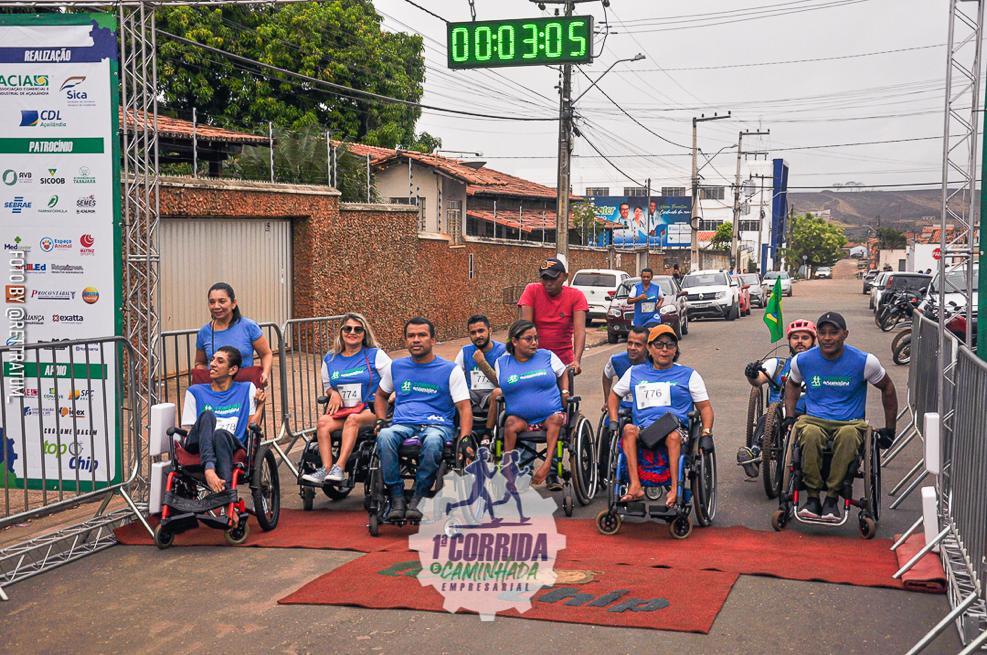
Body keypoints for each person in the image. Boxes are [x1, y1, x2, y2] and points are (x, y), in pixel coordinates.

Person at [784, 311, 898, 522]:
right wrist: (790, 417)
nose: (827, 338)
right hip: (814, 419)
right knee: (809, 434)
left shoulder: (864, 361)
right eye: (823, 333)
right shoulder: (803, 360)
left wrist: (890, 429)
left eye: (833, 333)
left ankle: (832, 497)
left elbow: (888, 388)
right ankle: (812, 497)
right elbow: (792, 384)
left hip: (850, 422)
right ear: (817, 335)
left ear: (845, 334)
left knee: (848, 437)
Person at [375, 317, 472, 521]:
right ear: (405, 341)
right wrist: (381, 420)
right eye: (411, 336)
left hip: (437, 425)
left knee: (434, 440)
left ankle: (419, 496)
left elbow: (464, 408)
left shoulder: (450, 370)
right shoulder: (396, 367)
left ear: (433, 340)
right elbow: (381, 395)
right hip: (403, 424)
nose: (416, 340)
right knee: (384, 435)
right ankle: (396, 497)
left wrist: (465, 438)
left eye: (422, 335)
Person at [608, 324, 714, 506]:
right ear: (649, 348)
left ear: (675, 350)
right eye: (659, 344)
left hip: (676, 429)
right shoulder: (634, 372)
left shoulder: (689, 375)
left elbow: (705, 408)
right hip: (644, 429)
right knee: (628, 429)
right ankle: (635, 486)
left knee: (673, 437)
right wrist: (613, 420)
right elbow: (614, 395)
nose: (664, 349)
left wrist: (706, 433)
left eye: (670, 345)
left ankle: (674, 489)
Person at [301, 313, 390, 485]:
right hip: (344, 411)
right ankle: (326, 469)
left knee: (353, 419)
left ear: (364, 333)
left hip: (370, 410)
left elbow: (394, 379)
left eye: (358, 329)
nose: (352, 332)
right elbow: (327, 385)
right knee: (323, 422)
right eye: (348, 328)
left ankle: (339, 468)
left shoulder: (375, 355)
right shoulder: (331, 358)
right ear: (341, 332)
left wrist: (388, 398)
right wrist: (333, 393)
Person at [180, 346, 266, 514]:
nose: (212, 364)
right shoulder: (195, 391)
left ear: (232, 369)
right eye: (212, 359)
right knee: (207, 416)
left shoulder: (246, 388)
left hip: (229, 443)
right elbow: (188, 430)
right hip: (198, 443)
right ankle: (209, 470)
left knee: (220, 434)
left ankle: (226, 503)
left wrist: (260, 405)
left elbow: (252, 427)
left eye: (220, 361)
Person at [736, 319, 817, 477]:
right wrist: (751, 374)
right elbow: (758, 380)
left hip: (811, 414)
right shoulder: (778, 364)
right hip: (780, 413)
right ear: (789, 341)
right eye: (795, 338)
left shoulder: (822, 365)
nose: (800, 341)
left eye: (805, 338)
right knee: (766, 419)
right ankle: (754, 453)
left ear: (814, 341)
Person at [495, 320, 569, 488]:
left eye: (536, 338)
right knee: (509, 423)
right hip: (521, 419)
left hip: (549, 416)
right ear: (515, 341)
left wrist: (564, 391)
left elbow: (563, 372)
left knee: (556, 419)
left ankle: (547, 464)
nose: (534, 342)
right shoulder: (502, 363)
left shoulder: (547, 356)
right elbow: (502, 386)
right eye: (528, 339)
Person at [194, 282, 273, 388]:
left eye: (222, 301)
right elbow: (200, 362)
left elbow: (266, 354)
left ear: (234, 303)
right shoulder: (204, 332)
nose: (216, 306)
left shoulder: (249, 327)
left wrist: (265, 373)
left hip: (244, 388)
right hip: (217, 391)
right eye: (212, 302)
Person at [518, 257, 589, 374]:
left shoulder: (576, 296)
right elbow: (525, 327)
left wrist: (576, 360)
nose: (548, 283)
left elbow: (580, 331)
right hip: (535, 359)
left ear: (565, 277)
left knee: (564, 385)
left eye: (553, 278)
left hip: (563, 362)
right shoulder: (532, 290)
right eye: (545, 279)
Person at [453, 314, 506, 432]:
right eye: (473, 333)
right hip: (470, 395)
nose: (477, 336)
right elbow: (453, 376)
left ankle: (488, 433)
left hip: (491, 395)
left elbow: (502, 383)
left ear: (490, 330)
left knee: (498, 392)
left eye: (481, 331)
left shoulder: (503, 352)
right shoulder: (465, 351)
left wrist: (482, 362)